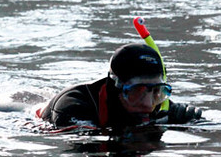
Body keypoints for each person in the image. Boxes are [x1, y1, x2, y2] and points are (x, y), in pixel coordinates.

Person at [38, 43, 203, 130]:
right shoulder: (73, 105)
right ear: (116, 86)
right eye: (137, 92)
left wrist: (186, 121)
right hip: (22, 112)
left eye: (156, 92)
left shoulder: (158, 106)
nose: (147, 104)